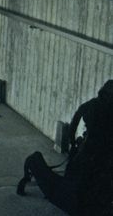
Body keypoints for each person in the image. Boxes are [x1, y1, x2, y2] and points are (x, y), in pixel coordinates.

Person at [17, 80, 113, 215]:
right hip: (102, 167)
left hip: (88, 158)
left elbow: (73, 127)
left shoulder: (92, 105)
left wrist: (73, 145)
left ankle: (34, 163)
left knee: (74, 179)